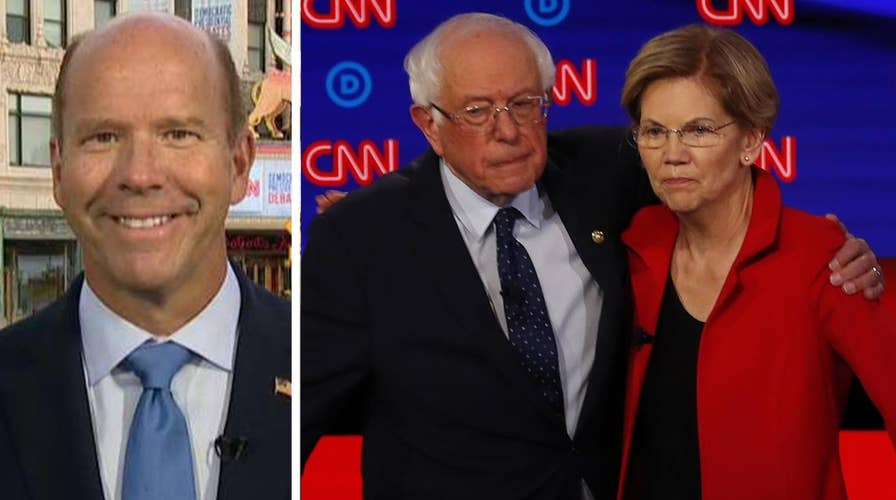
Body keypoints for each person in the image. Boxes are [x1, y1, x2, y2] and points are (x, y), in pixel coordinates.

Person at [300, 13, 883, 500]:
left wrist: (833, 244)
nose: (507, 131)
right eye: (476, 111)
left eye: (525, 103)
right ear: (428, 125)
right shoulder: (364, 237)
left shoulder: (608, 174)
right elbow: (299, 411)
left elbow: (722, 189)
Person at [0, 13, 290, 500]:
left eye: (178, 134)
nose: (140, 174)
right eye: (103, 137)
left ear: (239, 164)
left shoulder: (331, 367)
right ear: (58, 170)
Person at [616, 24, 895, 500]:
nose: (672, 154)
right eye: (655, 131)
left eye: (699, 130)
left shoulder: (822, 258)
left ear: (752, 140)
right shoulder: (628, 246)